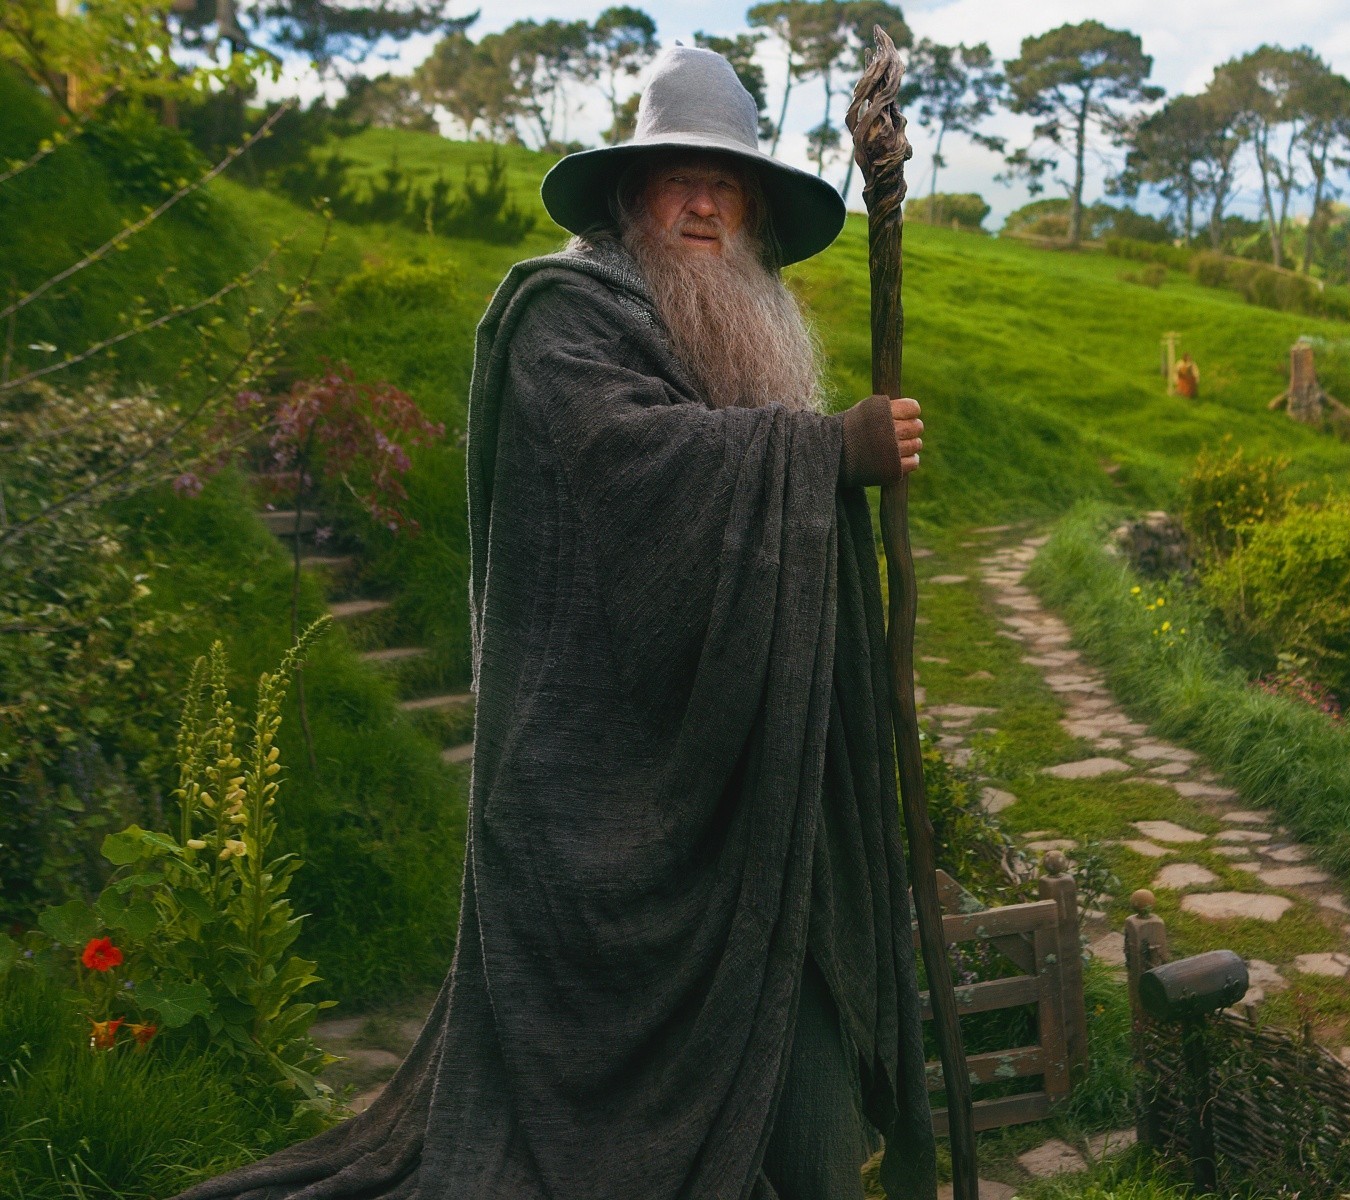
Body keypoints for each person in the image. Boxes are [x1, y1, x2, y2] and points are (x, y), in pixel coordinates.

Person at [175, 47, 935, 1200]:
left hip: (744, 783)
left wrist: (825, 467)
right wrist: (827, 451)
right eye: (677, 177)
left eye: (725, 184)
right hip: (592, 783)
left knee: (811, 1121)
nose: (700, 204)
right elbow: (627, 465)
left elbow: (754, 549)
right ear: (631, 194)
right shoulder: (559, 317)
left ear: (754, 208)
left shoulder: (753, 330)